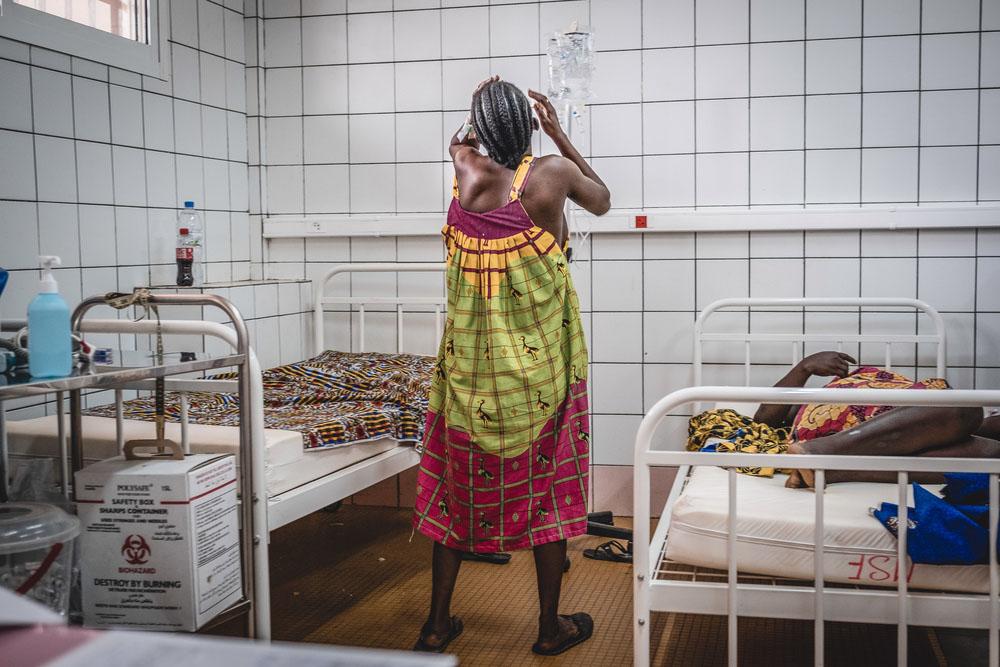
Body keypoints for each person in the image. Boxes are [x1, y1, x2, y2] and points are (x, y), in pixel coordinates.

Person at [410, 77, 610, 655]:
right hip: (541, 368)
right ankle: (549, 628)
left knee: (452, 488)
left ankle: (435, 623)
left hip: (469, 372)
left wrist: (479, 114)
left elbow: (460, 139)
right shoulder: (550, 175)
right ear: (527, 125)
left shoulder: (463, 167)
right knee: (548, 491)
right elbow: (602, 198)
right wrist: (559, 133)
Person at [752, 351, 1000, 488]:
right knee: (962, 407)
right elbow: (763, 420)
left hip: (905, 422)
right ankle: (820, 451)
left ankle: (827, 469)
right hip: (856, 426)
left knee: (990, 457)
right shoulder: (817, 400)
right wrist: (804, 367)